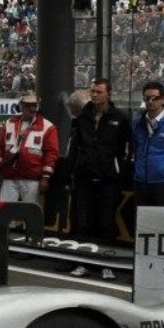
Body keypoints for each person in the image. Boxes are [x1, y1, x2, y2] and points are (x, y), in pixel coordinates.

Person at [67, 77, 132, 279]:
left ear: (109, 94)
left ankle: (107, 264)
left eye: (99, 92)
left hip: (109, 179)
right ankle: (82, 262)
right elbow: (75, 146)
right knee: (84, 221)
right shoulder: (82, 117)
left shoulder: (120, 118)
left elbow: (127, 149)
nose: (95, 95)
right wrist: (74, 170)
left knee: (106, 222)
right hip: (84, 176)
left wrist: (118, 169)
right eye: (93, 91)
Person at [0, 90, 58, 207]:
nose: (32, 108)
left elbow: (51, 154)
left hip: (32, 178)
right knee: (5, 212)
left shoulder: (48, 127)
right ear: (21, 106)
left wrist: (45, 177)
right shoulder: (9, 123)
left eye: (34, 105)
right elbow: (0, 148)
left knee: (31, 215)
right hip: (9, 176)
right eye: (28, 105)